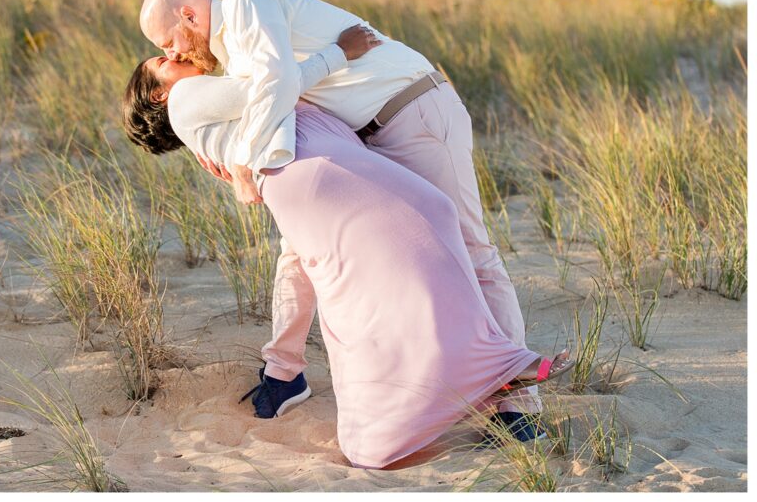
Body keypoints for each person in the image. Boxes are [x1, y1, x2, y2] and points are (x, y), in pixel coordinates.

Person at [120, 38, 573, 469]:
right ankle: (499, 371)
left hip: (312, 164)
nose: (171, 52)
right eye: (160, 61)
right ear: (159, 96)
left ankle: (305, 386)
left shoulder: (203, 103)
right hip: (315, 166)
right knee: (428, 217)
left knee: (344, 281)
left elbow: (264, 102)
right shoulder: (187, 98)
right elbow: (272, 86)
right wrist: (339, 52)